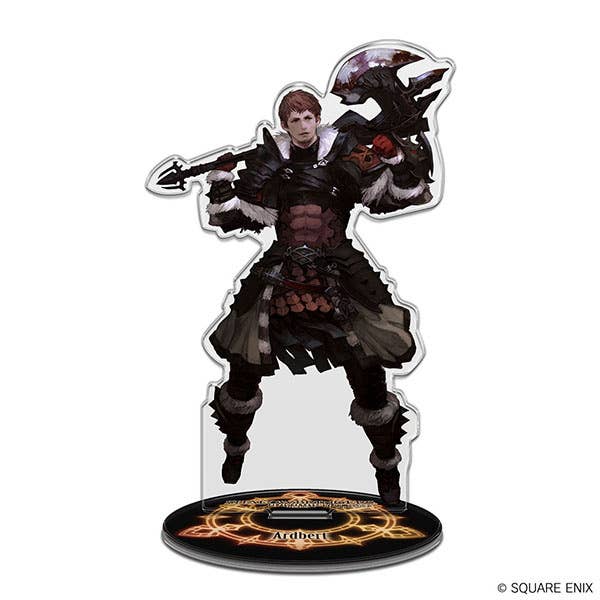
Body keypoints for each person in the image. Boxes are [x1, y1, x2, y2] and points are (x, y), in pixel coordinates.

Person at [205, 90, 432, 504]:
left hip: (339, 269)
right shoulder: (270, 164)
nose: (303, 126)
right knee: (243, 364)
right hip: (281, 271)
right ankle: (234, 447)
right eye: (294, 120)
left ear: (318, 118)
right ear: (285, 125)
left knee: (368, 370)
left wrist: (395, 158)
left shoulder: (345, 154)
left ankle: (386, 465)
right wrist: (221, 182)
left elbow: (401, 196)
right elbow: (233, 218)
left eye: (308, 117)